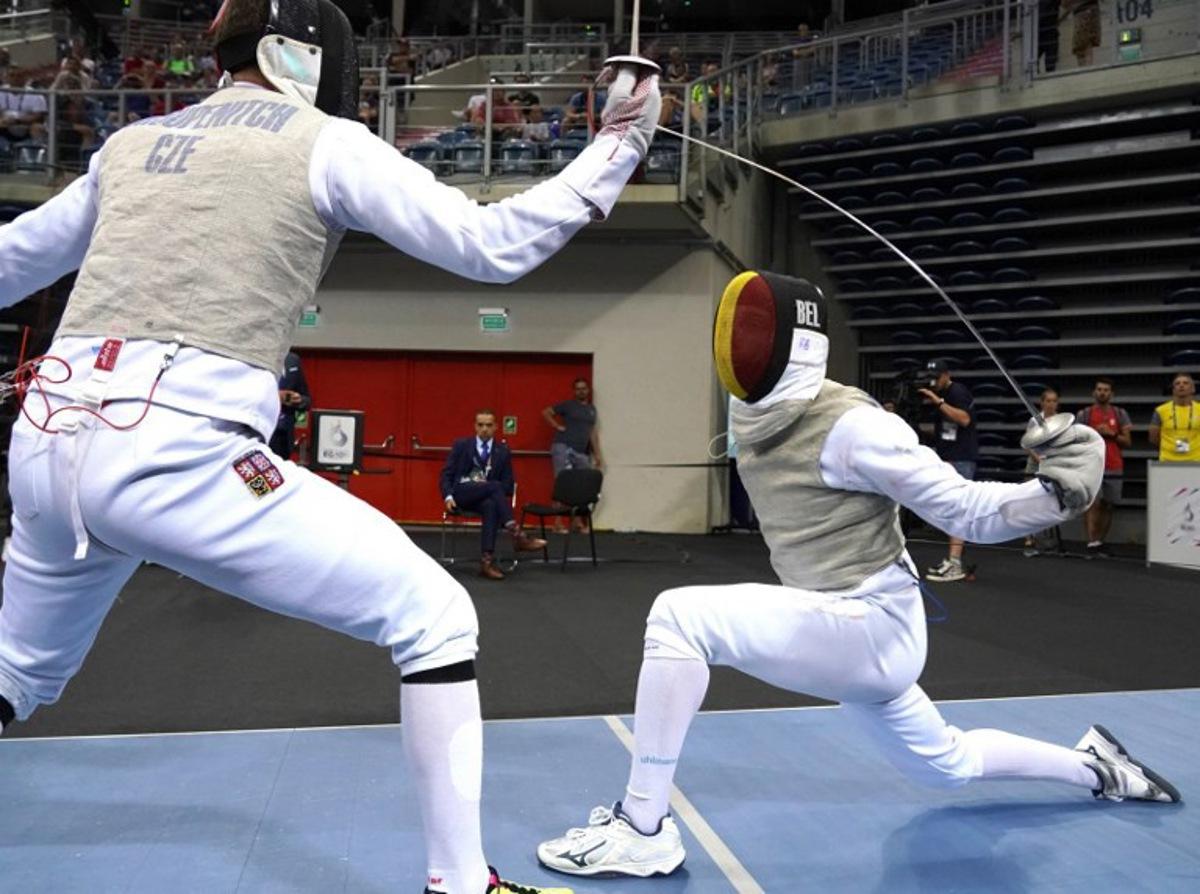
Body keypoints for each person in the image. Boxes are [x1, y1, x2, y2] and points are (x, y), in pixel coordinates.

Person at [0, 1, 660, 892]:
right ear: (302, 57)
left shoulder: (131, 144)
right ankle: (464, 884)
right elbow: (488, 245)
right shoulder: (323, 141)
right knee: (434, 618)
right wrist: (618, 145)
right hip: (174, 451)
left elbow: (10, 259)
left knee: (15, 675)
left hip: (44, 444)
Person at [535, 271, 1179, 878]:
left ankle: (643, 828)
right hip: (834, 621)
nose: (736, 347)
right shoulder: (756, 410)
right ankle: (1098, 770)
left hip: (869, 624)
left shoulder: (858, 428)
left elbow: (965, 509)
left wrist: (1060, 495)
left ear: (793, 347)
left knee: (679, 616)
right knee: (944, 765)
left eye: (751, 333)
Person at [440, 410, 547, 580]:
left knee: (491, 504)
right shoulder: (461, 445)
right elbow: (446, 474)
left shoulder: (502, 451)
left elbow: (508, 486)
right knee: (494, 487)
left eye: (488, 425)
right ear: (475, 426)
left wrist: (487, 487)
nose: (484, 429)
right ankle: (516, 534)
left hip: (486, 498)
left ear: (495, 427)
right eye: (481, 425)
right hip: (462, 493)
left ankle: (486, 562)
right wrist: (448, 496)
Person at [918, 359, 977, 582]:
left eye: (937, 376)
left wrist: (938, 401)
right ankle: (954, 560)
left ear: (946, 375)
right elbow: (943, 429)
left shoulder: (957, 392)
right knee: (950, 510)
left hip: (961, 459)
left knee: (958, 510)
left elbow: (963, 419)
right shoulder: (942, 396)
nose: (933, 381)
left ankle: (955, 564)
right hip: (948, 458)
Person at [1076, 377, 1131, 558]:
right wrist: (1094, 433)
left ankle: (1100, 542)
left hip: (1114, 465)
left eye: (1106, 390)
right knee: (1093, 503)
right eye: (1099, 389)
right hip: (1091, 465)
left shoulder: (1120, 413)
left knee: (1108, 505)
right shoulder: (1084, 414)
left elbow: (1127, 442)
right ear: (1094, 392)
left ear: (1112, 394)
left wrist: (1112, 434)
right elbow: (1076, 441)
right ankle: (1091, 543)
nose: (1102, 392)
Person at [1023, 387, 1064, 557]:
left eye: (1054, 401)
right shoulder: (1035, 420)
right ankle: (1028, 539)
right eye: (1048, 401)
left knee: (1050, 502)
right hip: (1034, 465)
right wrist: (1039, 458)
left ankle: (1049, 543)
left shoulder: (1062, 421)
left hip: (1053, 465)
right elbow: (1027, 444)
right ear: (1042, 403)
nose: (1051, 404)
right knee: (1028, 501)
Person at [543, 377, 602, 477]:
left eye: (583, 388)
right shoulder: (568, 405)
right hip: (564, 447)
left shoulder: (592, 409)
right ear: (574, 391)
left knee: (583, 479)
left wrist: (597, 454)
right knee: (563, 479)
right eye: (578, 389)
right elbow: (546, 412)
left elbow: (592, 432)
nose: (581, 391)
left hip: (581, 452)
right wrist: (557, 426)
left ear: (588, 390)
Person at [268, 349, 310, 460]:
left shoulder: (292, 361)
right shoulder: (255, 358)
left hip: (283, 434)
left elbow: (307, 400)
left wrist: (298, 400)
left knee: (278, 475)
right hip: (259, 432)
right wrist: (275, 396)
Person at [1149, 373, 1199, 463]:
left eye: (1185, 383)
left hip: (1196, 461)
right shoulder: (1160, 410)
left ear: (1193, 389)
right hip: (1167, 460)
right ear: (1173, 390)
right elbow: (1153, 438)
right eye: (1177, 383)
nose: (1181, 385)